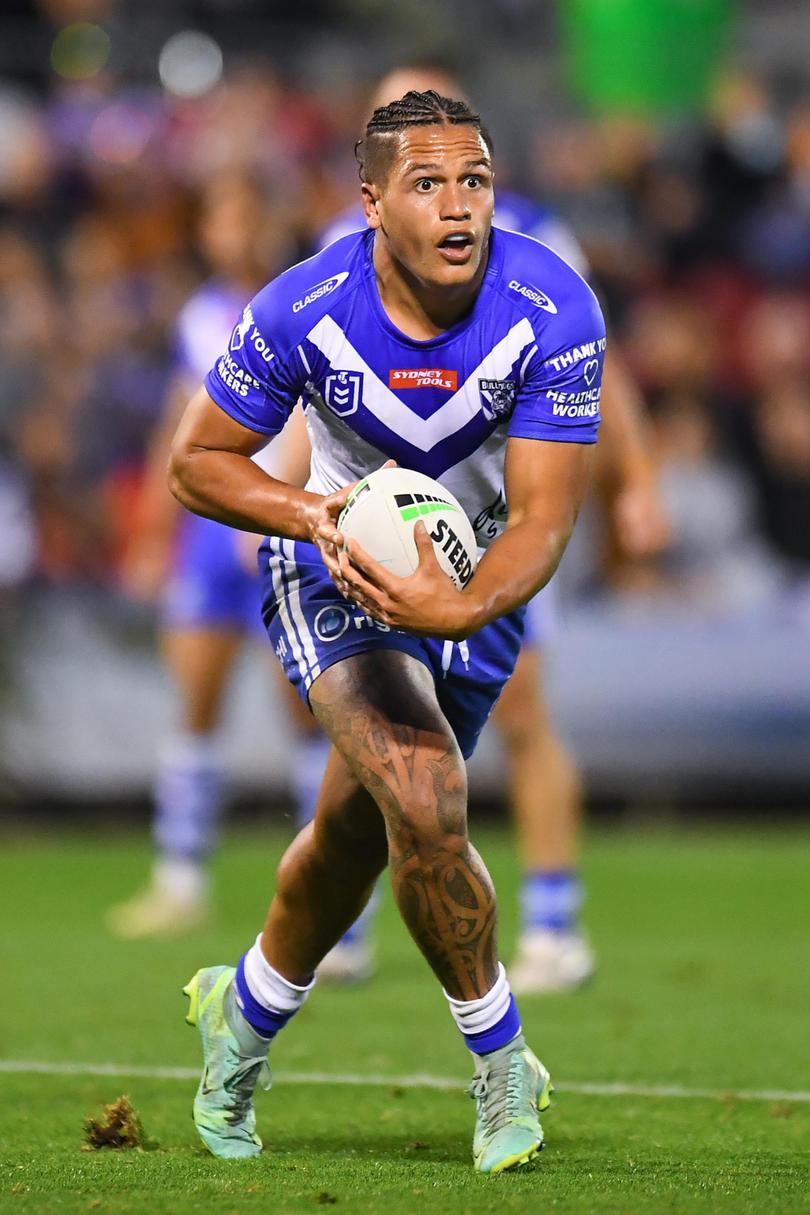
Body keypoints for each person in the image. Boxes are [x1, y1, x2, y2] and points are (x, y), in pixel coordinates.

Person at [170, 89, 605, 1173]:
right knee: (425, 793)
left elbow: (546, 517)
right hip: (336, 575)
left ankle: (245, 1013)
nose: (459, 207)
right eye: (427, 184)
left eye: (476, 181)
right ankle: (503, 1063)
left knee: (358, 838)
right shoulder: (300, 308)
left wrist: (459, 605)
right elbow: (196, 461)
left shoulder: (553, 308)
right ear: (371, 202)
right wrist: (312, 515)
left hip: (475, 581)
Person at [315, 64, 670, 992]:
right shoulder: (337, 246)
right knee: (373, 727)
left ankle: (554, 916)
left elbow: (601, 370)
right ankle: (342, 920)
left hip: (498, 520)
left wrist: (635, 480)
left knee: (522, 710)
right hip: (381, 520)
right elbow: (305, 395)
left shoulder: (535, 245)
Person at [107, 176, 328, 940]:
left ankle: (329, 887)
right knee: (196, 699)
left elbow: (313, 411)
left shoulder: (307, 304)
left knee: (308, 709)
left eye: (245, 217)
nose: (233, 235)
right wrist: (149, 529)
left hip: (282, 521)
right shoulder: (199, 315)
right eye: (221, 219)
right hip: (209, 532)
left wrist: (271, 498)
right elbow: (180, 420)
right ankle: (179, 877)